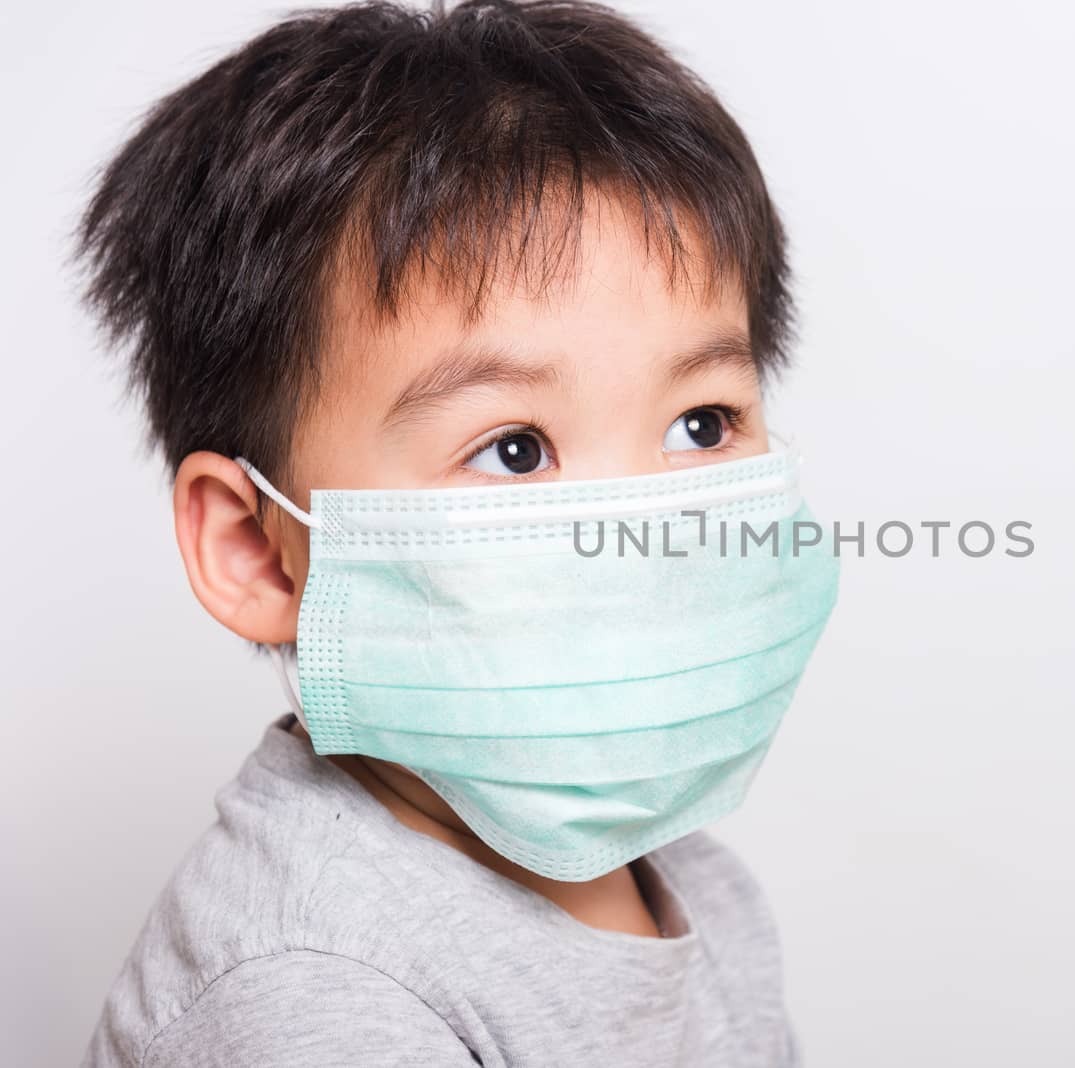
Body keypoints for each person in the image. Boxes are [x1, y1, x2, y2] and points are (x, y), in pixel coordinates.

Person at [73, 2, 839, 1064]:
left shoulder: (695, 879)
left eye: (701, 424)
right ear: (256, 547)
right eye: (515, 449)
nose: (640, 540)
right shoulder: (313, 994)